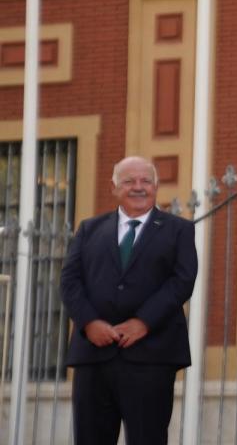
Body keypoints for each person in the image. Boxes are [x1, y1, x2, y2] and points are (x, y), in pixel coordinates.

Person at [60, 156, 198, 445]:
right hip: (94, 355)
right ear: (113, 187)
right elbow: (70, 281)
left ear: (156, 186)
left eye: (146, 181)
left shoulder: (179, 230)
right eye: (129, 181)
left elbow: (182, 281)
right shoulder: (89, 229)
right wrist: (90, 323)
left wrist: (143, 322)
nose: (138, 187)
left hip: (152, 356)